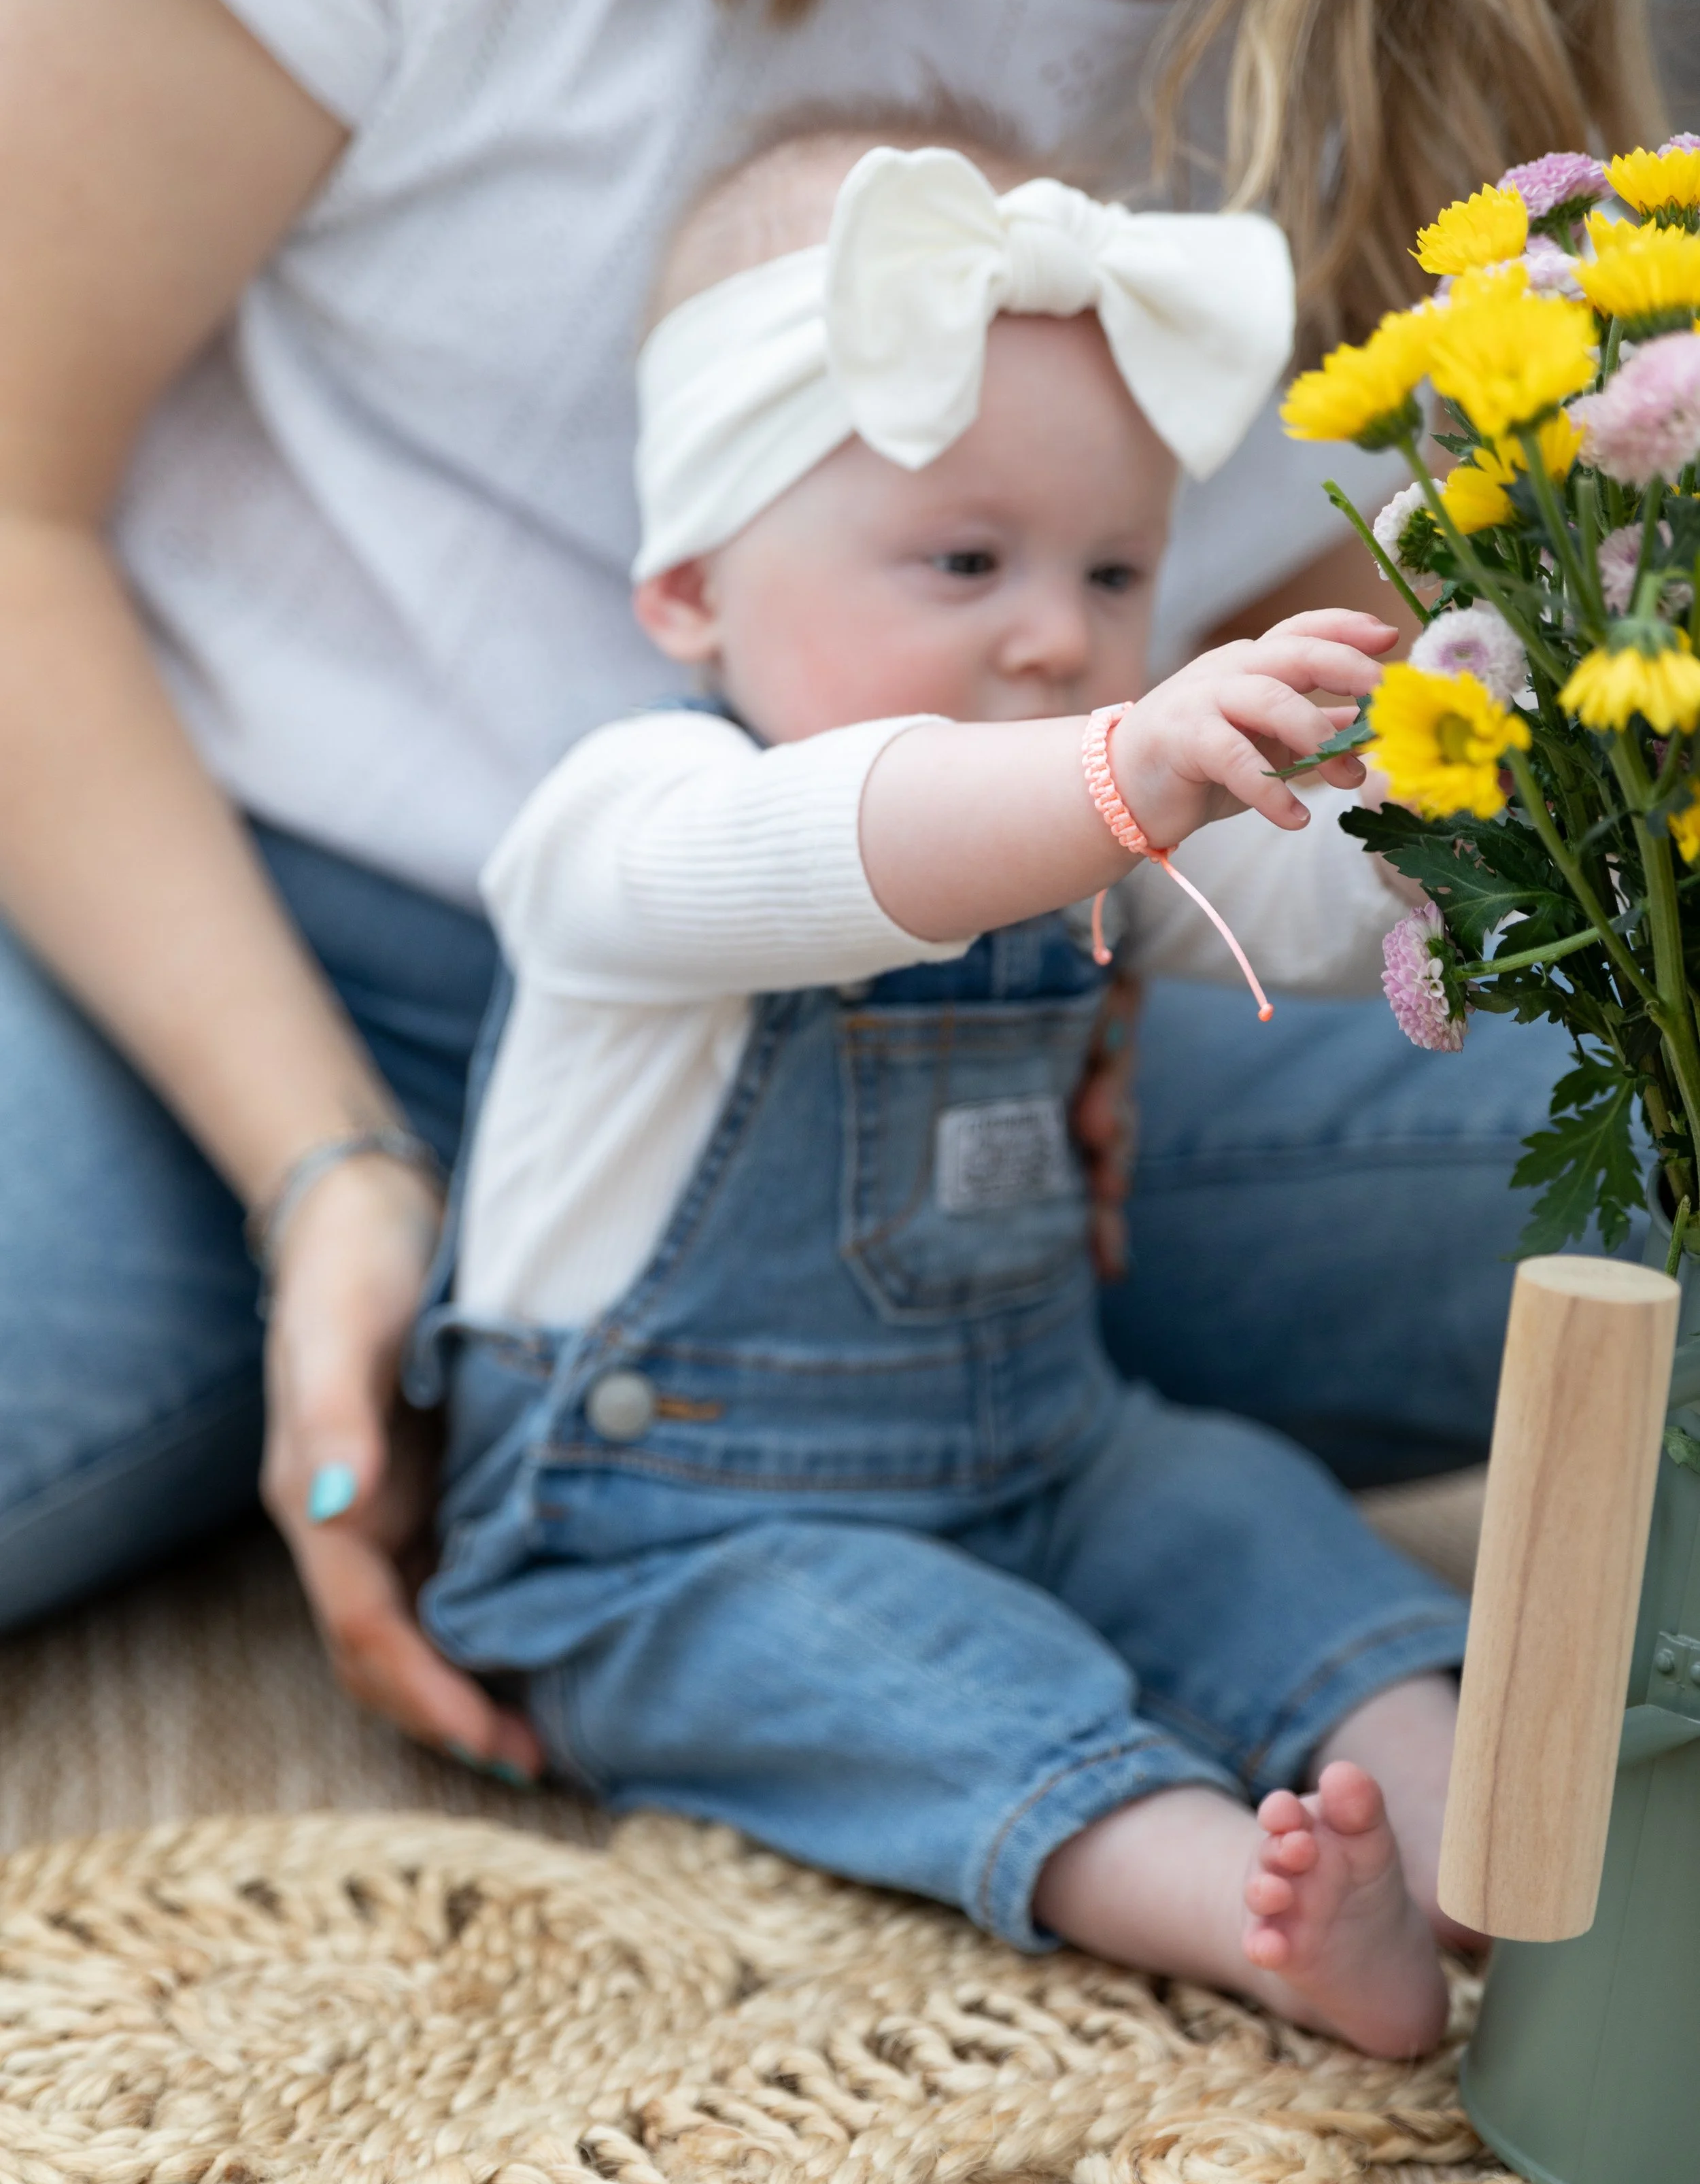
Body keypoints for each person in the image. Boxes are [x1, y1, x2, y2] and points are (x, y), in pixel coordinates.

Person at [0, 0, 1658, 1780]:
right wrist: (322, 1170)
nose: (1045, 612)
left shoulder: (1461, 33)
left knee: (1631, 1153)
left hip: (960, 1090)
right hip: (196, 937)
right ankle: (458, 1413)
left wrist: (1192, 905)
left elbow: (1277, 742)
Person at [417, 124, 1473, 2055]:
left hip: (1044, 1448)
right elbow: (844, 844)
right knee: (907, 1675)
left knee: (1242, 1514)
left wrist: (1467, 802)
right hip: (668, 1531)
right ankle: (1236, 1908)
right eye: (965, 559)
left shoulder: (1091, 804)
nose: (1054, 632)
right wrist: (1113, 775)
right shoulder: (629, 821)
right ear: (687, 590)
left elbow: (1322, 919)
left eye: (1115, 567)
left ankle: (1467, 1805)